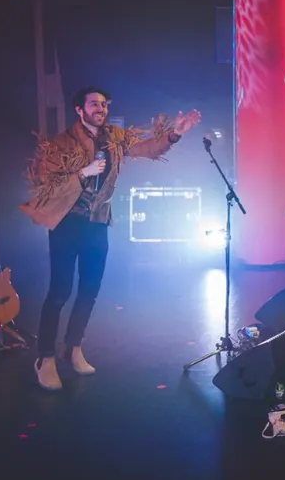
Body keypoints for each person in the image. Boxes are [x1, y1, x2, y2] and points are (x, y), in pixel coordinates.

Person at [20, 86, 200, 390]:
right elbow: (47, 182)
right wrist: (83, 172)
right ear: (79, 109)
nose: (100, 108)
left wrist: (175, 135)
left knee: (90, 289)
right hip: (66, 224)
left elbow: (146, 149)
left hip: (98, 222)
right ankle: (46, 358)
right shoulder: (62, 143)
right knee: (60, 291)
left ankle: (73, 347)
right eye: (93, 104)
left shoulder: (114, 137)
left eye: (103, 104)